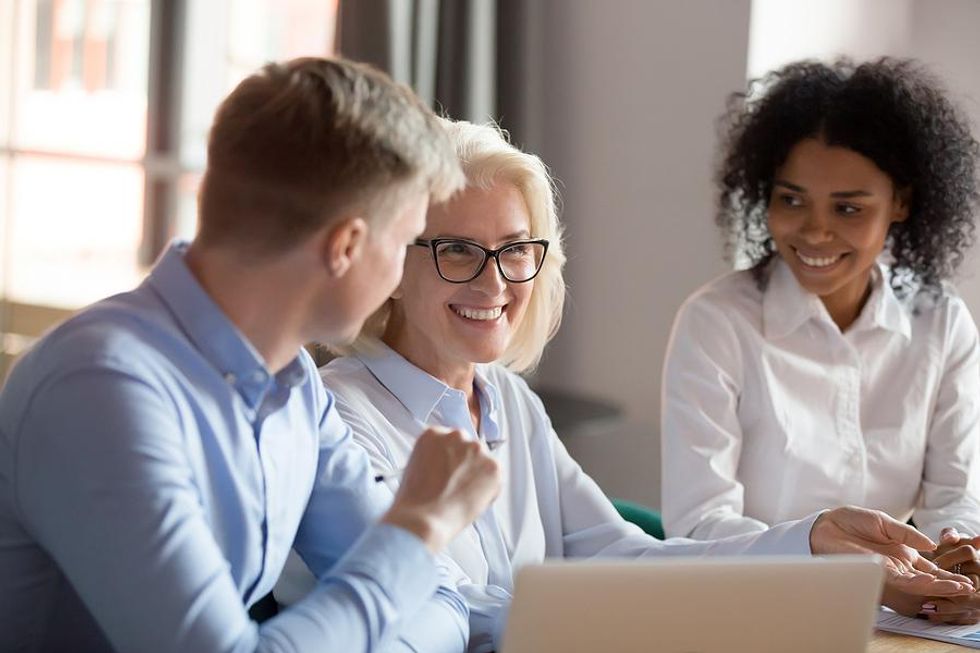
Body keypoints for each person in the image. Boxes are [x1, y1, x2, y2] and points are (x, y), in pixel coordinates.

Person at [276, 117, 976, 652]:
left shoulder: (507, 399)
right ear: (393, 265)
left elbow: (623, 556)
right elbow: (430, 609)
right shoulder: (337, 418)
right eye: (459, 249)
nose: (494, 280)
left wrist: (815, 541)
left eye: (516, 249)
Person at [0, 57, 503, 653]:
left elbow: (441, 603)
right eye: (402, 244)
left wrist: (404, 563)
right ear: (346, 246)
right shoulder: (99, 390)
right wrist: (419, 528)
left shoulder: (295, 385)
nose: (400, 275)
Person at [660, 58, 980, 623]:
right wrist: (855, 574)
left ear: (901, 203)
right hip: (750, 609)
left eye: (849, 208)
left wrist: (954, 562)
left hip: (895, 615)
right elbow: (700, 525)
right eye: (791, 199)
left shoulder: (941, 322)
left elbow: (955, 497)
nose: (814, 230)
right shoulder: (716, 323)